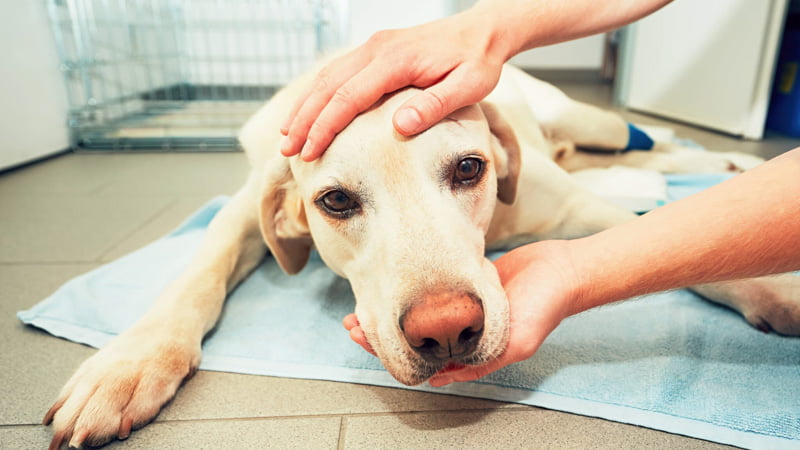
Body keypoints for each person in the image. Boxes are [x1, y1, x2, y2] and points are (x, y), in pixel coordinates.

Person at [281, 0, 800, 386]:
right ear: (293, 213)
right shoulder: (286, 158)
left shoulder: (504, 140)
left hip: (531, 113)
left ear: (503, 160)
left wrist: (739, 282)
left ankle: (656, 147)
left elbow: (587, 210)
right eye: (341, 202)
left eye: (465, 170)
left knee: (591, 128)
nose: (443, 321)